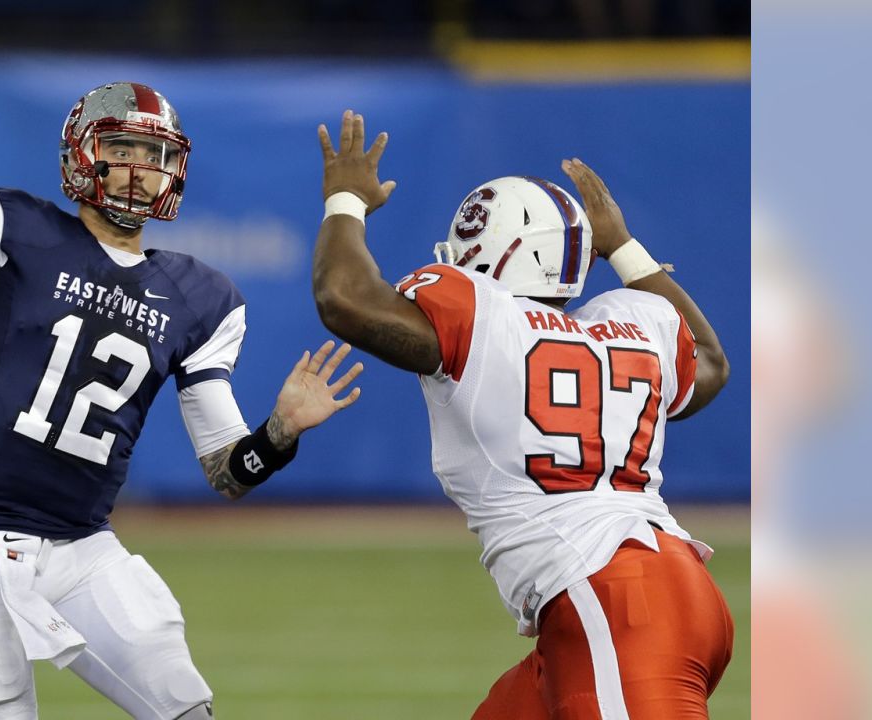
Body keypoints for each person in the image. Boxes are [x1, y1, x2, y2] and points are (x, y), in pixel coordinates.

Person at [0, 82, 363, 720]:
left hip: (81, 544)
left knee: (187, 708)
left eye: (155, 154)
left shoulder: (203, 298)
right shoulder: (17, 227)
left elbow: (228, 471)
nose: (139, 170)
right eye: (121, 148)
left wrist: (280, 431)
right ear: (80, 155)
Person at [310, 110, 733, 718]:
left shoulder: (481, 317)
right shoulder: (633, 322)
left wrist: (344, 200)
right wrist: (624, 247)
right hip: (649, 594)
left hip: (612, 604)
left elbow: (342, 296)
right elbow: (710, 366)